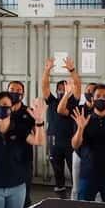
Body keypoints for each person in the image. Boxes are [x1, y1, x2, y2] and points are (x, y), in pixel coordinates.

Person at [41, 57, 80, 199]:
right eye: (60, 89)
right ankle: (60, 191)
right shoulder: (51, 101)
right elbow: (45, 86)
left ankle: (76, 193)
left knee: (74, 170)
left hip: (70, 142)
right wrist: (47, 70)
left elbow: (78, 84)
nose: (63, 91)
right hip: (54, 141)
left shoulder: (73, 102)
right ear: (56, 90)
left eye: (65, 89)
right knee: (57, 169)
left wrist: (72, 71)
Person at [0, 80, 36, 208]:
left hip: (23, 160)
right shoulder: (1, 111)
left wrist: (39, 120)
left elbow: (38, 138)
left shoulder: (29, 112)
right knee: (4, 196)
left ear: (23, 94)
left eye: (18, 91)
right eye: (12, 90)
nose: (15, 93)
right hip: (3, 160)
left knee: (24, 198)